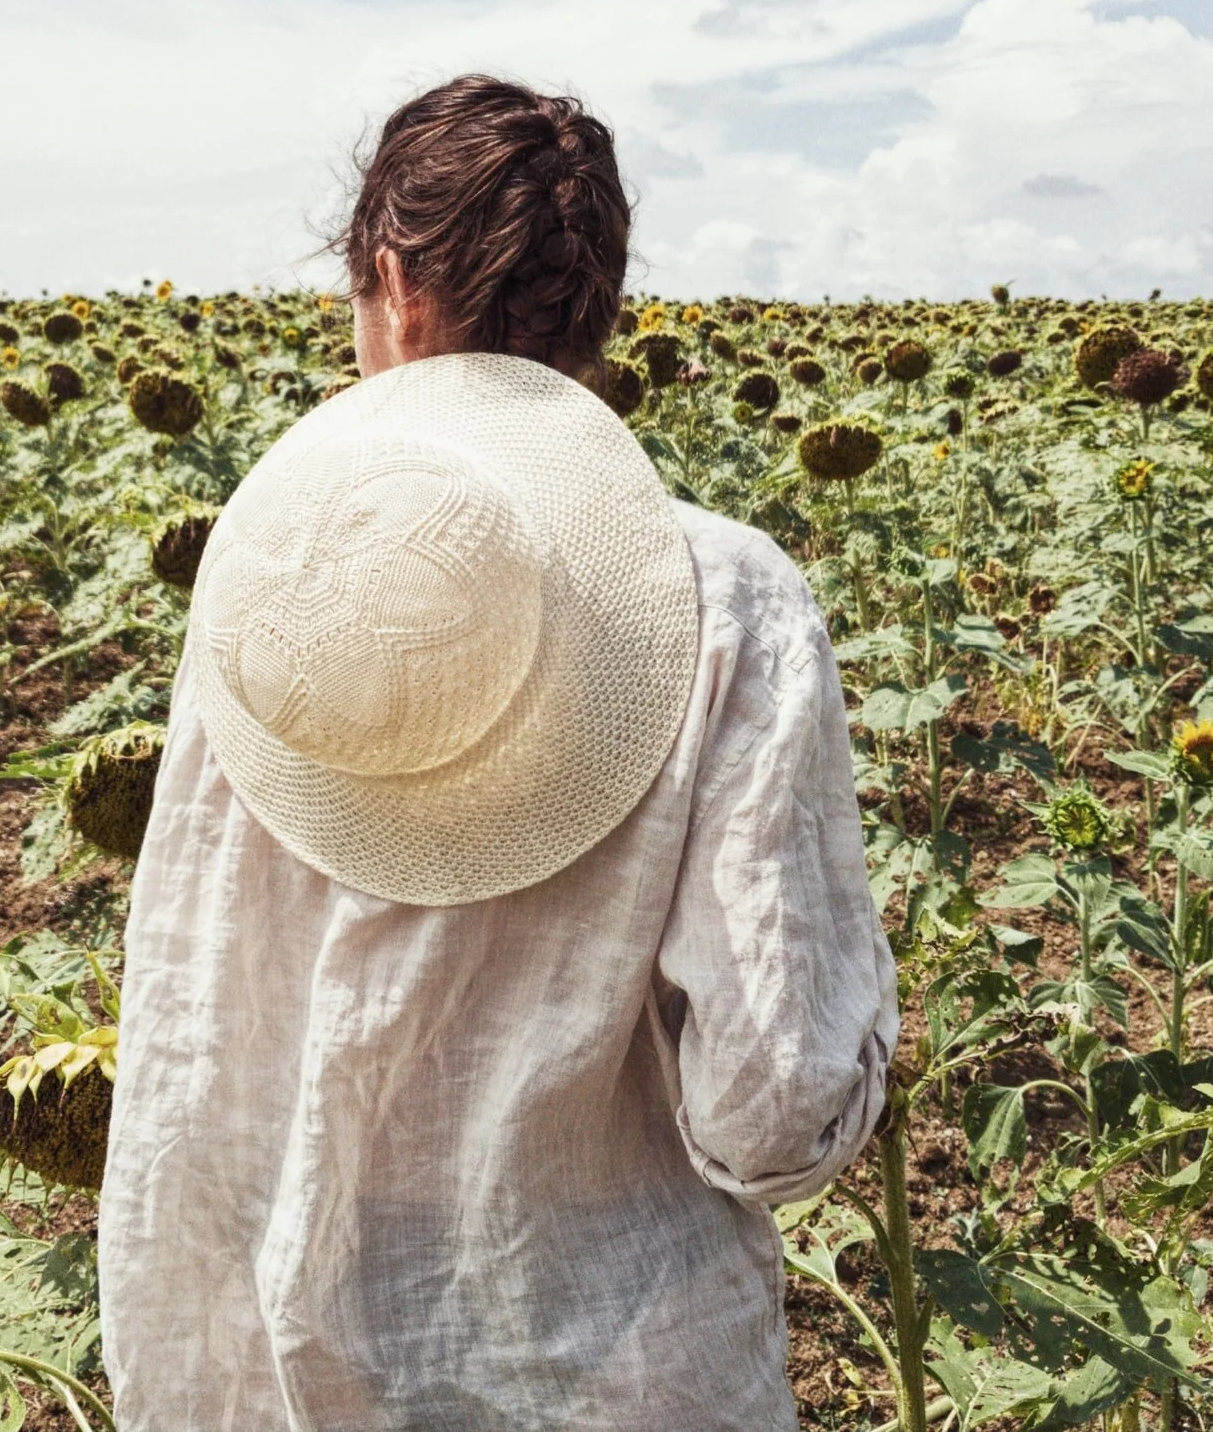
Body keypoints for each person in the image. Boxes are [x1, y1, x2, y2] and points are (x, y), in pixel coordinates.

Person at [99, 74, 898, 1430]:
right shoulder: (726, 598)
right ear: (596, 310)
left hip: (296, 1350)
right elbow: (770, 1103)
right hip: (612, 1363)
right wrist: (863, 1043)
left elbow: (189, 1007)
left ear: (396, 290)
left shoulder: (267, 571)